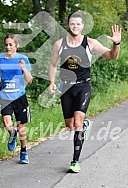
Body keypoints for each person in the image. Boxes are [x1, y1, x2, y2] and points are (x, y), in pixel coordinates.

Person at [49, 12, 121, 173]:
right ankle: (84, 126)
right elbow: (53, 65)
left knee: (77, 123)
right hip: (66, 88)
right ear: (68, 25)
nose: (75, 26)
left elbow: (112, 56)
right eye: (72, 24)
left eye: (78, 24)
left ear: (83, 26)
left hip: (83, 87)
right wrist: (52, 82)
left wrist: (116, 44)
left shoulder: (90, 43)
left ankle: (75, 161)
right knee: (69, 126)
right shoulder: (59, 44)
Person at [0, 34, 33, 164]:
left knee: (21, 126)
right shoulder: (0, 58)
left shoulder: (23, 59)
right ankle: (12, 134)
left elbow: (30, 80)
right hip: (5, 97)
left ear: (16, 46)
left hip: (19, 97)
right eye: (6, 44)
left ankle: (23, 152)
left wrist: (23, 69)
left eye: (10, 44)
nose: (8, 47)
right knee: (7, 124)